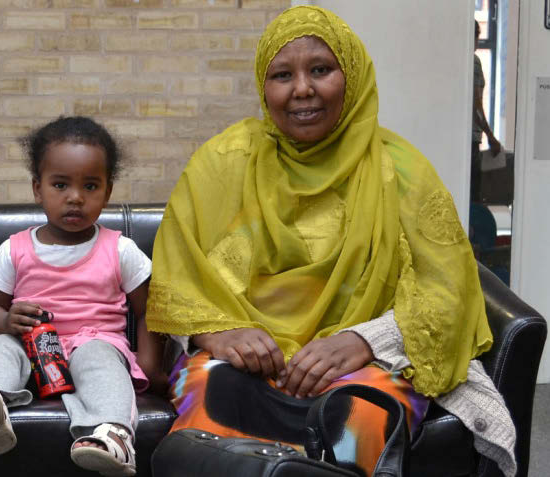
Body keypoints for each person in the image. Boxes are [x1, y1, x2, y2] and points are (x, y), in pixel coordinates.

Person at [146, 6, 516, 477]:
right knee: (212, 394)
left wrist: (366, 339)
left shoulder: (401, 171)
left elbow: (447, 292)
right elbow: (179, 277)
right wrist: (217, 333)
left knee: (358, 414)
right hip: (245, 363)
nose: (302, 89)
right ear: (264, 87)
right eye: (283, 75)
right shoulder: (221, 164)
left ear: (352, 76)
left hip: (366, 365)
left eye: (320, 70)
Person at [0, 116, 167, 477]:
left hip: (93, 342)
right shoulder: (15, 249)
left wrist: (148, 366)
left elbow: (150, 311)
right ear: (38, 189)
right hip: (31, 344)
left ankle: (112, 435)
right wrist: (7, 322)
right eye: (60, 185)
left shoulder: (120, 249)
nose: (75, 197)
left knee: (102, 361)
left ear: (108, 191)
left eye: (90, 186)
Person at [472, 19, 502, 203]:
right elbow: (475, 105)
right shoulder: (473, 62)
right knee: (474, 195)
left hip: (462, 137)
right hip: (471, 139)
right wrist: (490, 136)